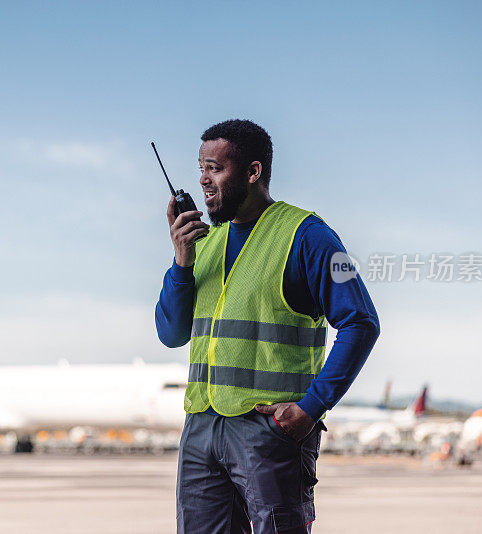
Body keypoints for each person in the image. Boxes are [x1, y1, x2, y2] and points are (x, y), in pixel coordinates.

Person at [155, 119, 380, 534]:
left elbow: (361, 323)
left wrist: (310, 409)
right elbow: (170, 334)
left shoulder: (309, 235)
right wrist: (180, 261)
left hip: (269, 429)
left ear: (253, 172)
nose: (203, 180)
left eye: (214, 168)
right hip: (202, 426)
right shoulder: (203, 242)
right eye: (200, 169)